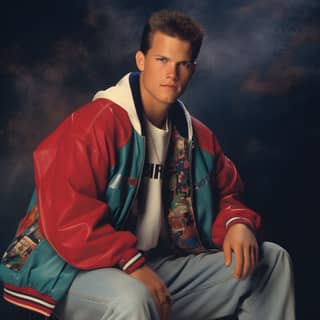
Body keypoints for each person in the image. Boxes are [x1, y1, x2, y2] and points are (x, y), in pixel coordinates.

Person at [0, 10, 295, 320]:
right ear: (141, 61)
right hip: (65, 267)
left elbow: (226, 192)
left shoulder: (197, 137)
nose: (172, 73)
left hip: (147, 262)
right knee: (134, 298)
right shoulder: (94, 126)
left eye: (182, 64)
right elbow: (65, 214)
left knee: (270, 262)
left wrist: (237, 222)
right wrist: (131, 264)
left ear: (192, 69)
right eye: (162, 60)